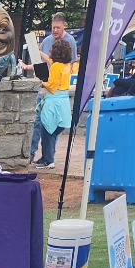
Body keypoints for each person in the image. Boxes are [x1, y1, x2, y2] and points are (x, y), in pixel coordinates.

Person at [35, 36, 76, 169]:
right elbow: (50, 61)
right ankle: (47, 157)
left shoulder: (56, 67)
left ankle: (48, 160)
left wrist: (41, 82)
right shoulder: (67, 66)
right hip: (64, 103)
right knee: (53, 132)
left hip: (53, 101)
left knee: (46, 130)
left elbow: (51, 85)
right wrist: (39, 52)